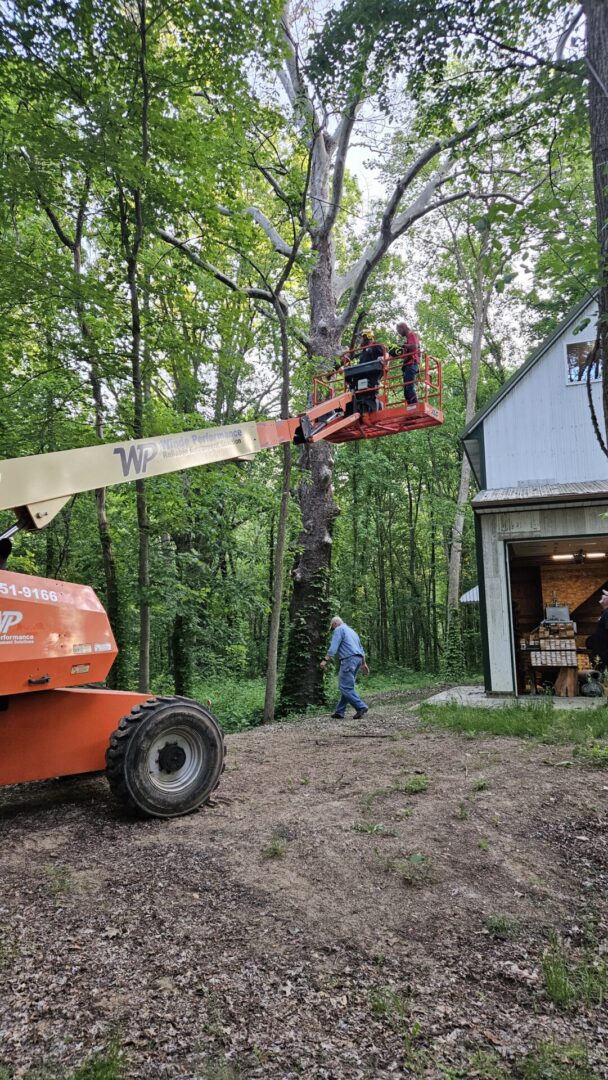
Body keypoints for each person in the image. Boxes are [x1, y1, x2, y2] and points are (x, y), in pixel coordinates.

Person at [320, 616, 369, 719]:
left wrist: (325, 660)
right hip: (357, 659)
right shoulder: (352, 632)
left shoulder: (339, 630)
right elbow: (361, 649)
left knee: (345, 687)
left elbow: (333, 647)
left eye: (332, 627)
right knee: (347, 686)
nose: (333, 629)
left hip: (348, 659)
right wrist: (363, 663)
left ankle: (361, 707)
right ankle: (339, 711)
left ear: (335, 624)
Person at [391, 320, 420, 404]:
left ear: (403, 328)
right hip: (409, 364)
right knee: (406, 389)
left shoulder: (411, 334)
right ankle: (411, 407)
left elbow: (414, 347)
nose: (399, 333)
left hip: (411, 364)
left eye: (399, 330)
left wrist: (403, 345)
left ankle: (415, 406)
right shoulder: (408, 339)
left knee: (409, 387)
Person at [586, 590, 608, 673]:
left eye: (605, 596)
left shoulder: (607, 613)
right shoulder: (605, 612)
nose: (602, 596)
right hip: (601, 651)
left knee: (603, 673)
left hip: (604, 652)